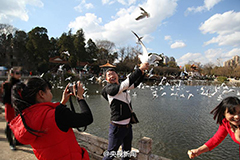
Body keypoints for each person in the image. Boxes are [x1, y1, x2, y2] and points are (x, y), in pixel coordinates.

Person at [9, 77, 93, 160]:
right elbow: (87, 118)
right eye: (49, 90)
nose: (51, 93)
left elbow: (50, 121)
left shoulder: (25, 119)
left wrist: (62, 103)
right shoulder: (59, 114)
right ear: (41, 94)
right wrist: (80, 97)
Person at [101, 62, 149, 160]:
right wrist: (139, 69)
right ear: (106, 79)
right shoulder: (110, 89)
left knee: (126, 153)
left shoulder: (122, 87)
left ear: (117, 76)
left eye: (113, 73)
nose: (111, 76)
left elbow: (134, 84)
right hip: (117, 128)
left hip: (127, 127)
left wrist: (143, 72)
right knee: (111, 154)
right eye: (109, 75)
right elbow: (126, 83)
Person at [2, 67, 22, 150]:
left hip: (17, 107)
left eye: (20, 73)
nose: (19, 74)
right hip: (10, 106)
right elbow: (5, 98)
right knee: (10, 124)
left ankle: (17, 140)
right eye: (17, 73)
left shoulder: (20, 84)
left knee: (18, 124)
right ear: (12, 74)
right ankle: (11, 143)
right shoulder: (7, 84)